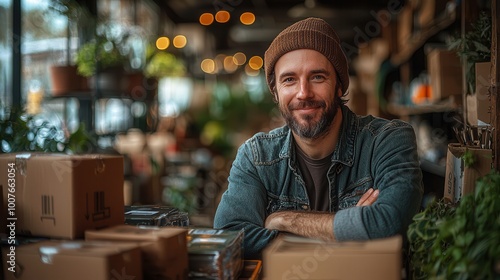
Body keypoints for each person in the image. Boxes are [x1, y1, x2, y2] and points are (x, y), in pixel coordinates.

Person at [213, 17, 423, 259]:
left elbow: (389, 224)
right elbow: (229, 237)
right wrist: (350, 232)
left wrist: (283, 219)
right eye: (289, 79)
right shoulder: (257, 157)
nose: (303, 93)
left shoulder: (387, 141)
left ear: (339, 86)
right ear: (276, 91)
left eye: (317, 77)